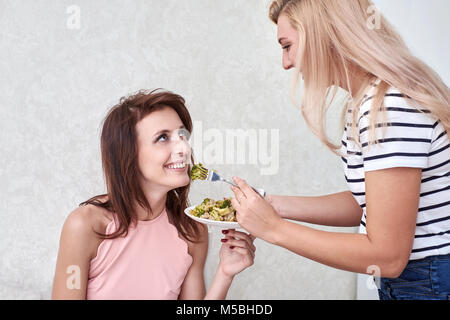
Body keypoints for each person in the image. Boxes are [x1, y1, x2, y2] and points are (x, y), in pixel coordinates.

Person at [231, 0, 449, 300]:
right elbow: (371, 204)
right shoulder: (365, 101)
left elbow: (388, 257)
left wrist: (274, 229)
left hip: (430, 283)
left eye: (287, 46)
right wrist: (272, 205)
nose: (286, 63)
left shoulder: (388, 105)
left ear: (322, 37)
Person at [52, 89, 255, 300]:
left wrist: (224, 273)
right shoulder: (85, 226)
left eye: (182, 135)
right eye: (163, 137)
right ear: (127, 154)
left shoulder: (192, 231)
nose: (183, 148)